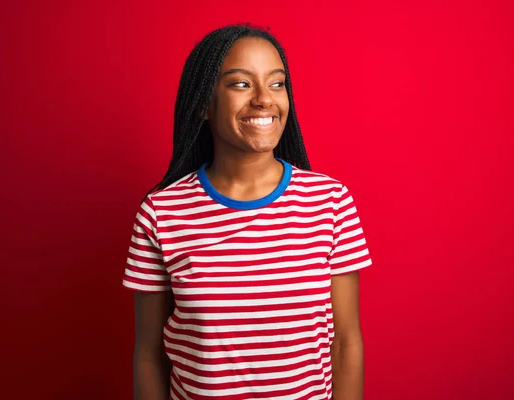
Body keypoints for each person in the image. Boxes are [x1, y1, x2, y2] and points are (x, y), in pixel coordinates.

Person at [122, 24, 373, 400]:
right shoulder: (162, 212)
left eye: (276, 83)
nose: (263, 100)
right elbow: (149, 354)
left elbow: (346, 340)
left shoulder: (330, 201)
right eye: (241, 84)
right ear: (204, 104)